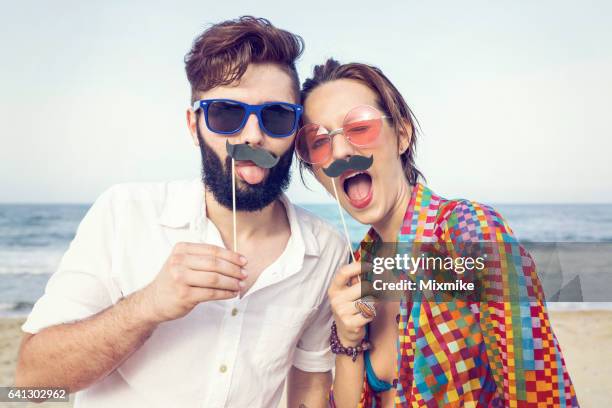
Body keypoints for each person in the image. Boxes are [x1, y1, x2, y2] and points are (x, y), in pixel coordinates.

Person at [15, 17, 348, 408]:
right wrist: (147, 306)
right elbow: (30, 383)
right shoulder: (123, 212)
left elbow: (307, 388)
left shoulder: (326, 250)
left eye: (275, 116)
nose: (253, 136)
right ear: (194, 125)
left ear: (294, 128)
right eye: (226, 113)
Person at [295, 59, 579, 407]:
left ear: (402, 134)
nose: (338, 151)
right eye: (318, 141)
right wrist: (348, 337)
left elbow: (540, 392)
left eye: (359, 126)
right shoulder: (360, 269)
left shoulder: (468, 232)